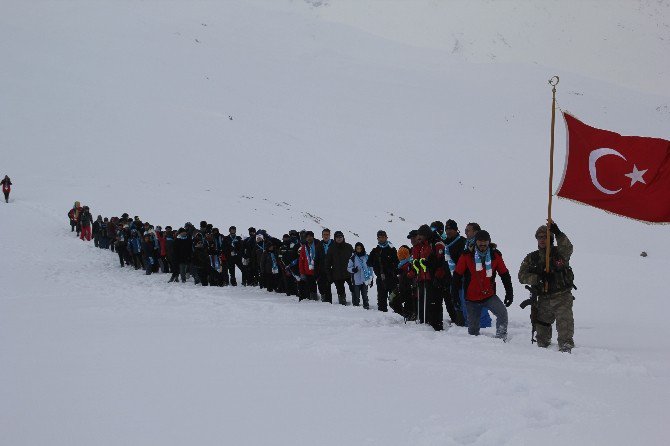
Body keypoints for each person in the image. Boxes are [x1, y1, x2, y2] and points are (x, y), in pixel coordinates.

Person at [518, 221, 575, 352]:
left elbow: (568, 248)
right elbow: (521, 276)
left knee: (564, 323)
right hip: (544, 298)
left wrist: (558, 233)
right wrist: (538, 278)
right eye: (540, 237)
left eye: (545, 237)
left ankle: (566, 346)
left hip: (562, 297)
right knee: (542, 335)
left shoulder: (559, 253)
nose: (542, 240)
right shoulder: (531, 258)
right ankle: (543, 350)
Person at [451, 230, 513, 340]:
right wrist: (455, 296)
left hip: (489, 295)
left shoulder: (495, 255)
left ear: (489, 242)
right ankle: (476, 349)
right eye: (480, 242)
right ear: (475, 242)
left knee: (502, 313)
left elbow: (504, 274)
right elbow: (456, 276)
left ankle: (501, 338)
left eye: (485, 243)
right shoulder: (466, 256)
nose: (483, 245)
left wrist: (509, 293)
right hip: (471, 299)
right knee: (473, 331)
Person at [409, 225, 446, 331]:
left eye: (420, 235)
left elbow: (441, 262)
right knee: (425, 303)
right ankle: (426, 325)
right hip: (424, 278)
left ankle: (436, 327)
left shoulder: (436, 244)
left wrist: (438, 276)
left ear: (426, 234)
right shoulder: (423, 245)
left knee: (434, 304)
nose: (418, 237)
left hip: (433, 278)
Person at [461, 222, 492, 328]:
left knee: (481, 308)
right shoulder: (468, 244)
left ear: (476, 232)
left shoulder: (481, 246)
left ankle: (484, 329)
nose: (465, 233)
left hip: (480, 282)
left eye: (467, 230)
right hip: (468, 281)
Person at [367, 230, 397, 312]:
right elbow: (368, 263)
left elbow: (397, 262)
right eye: (380, 237)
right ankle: (382, 317)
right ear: (377, 238)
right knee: (381, 300)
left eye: (384, 237)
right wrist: (376, 264)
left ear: (386, 237)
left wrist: (391, 268)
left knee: (394, 299)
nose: (382, 239)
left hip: (392, 278)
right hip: (381, 279)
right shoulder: (375, 250)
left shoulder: (392, 249)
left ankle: (397, 315)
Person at [326, 230, 353, 305]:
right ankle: (342, 303)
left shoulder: (349, 246)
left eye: (340, 237)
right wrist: (329, 275)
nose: (339, 238)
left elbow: (354, 259)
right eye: (337, 237)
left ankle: (355, 302)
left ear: (343, 238)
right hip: (337, 274)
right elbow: (327, 263)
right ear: (334, 238)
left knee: (353, 288)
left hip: (349, 273)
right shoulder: (331, 248)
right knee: (340, 291)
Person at [348, 242, 374, 308]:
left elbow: (370, 268)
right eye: (357, 248)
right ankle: (356, 308)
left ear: (362, 248)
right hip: (356, 280)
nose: (359, 249)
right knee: (356, 296)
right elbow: (348, 268)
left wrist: (371, 279)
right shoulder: (353, 258)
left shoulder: (367, 257)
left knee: (365, 295)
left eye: (360, 248)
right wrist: (353, 270)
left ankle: (366, 306)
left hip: (365, 279)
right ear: (355, 249)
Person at [297, 231, 320, 301]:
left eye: (310, 236)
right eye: (307, 237)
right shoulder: (303, 247)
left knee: (321, 286)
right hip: (308, 271)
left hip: (317, 270)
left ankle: (321, 299)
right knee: (310, 286)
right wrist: (302, 272)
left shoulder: (318, 245)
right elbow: (301, 260)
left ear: (313, 237)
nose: (309, 238)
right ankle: (312, 298)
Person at [318, 228, 334, 303]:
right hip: (322, 268)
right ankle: (324, 301)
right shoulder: (319, 244)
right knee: (321, 286)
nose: (326, 236)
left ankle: (329, 302)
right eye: (324, 234)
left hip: (331, 269)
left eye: (327, 234)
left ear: (329, 235)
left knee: (328, 286)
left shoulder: (334, 243)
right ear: (322, 235)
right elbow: (316, 258)